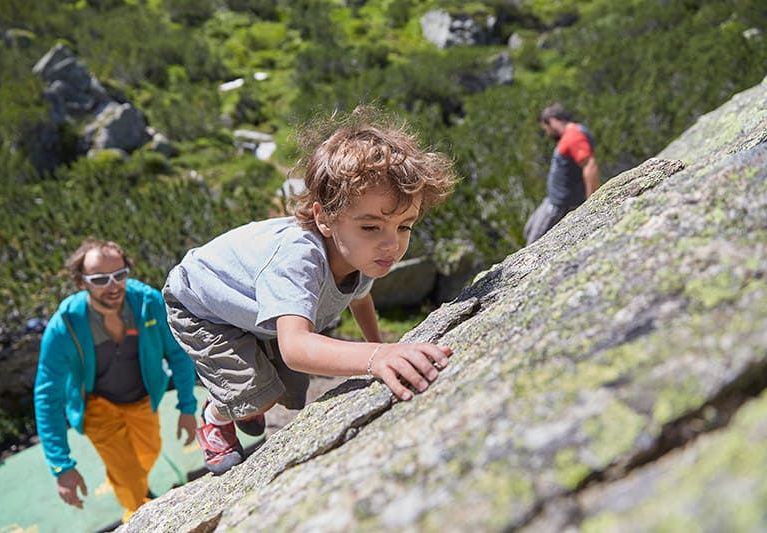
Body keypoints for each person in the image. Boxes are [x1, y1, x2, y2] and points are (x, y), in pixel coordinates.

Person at [162, 107, 458, 475]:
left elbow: (359, 297)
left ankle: (248, 401)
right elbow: (296, 348)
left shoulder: (361, 255)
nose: (391, 245)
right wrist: (376, 356)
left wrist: (379, 342)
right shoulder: (298, 259)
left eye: (404, 227)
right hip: (200, 305)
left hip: (246, 305)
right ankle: (217, 414)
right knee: (259, 395)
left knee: (282, 390)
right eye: (371, 227)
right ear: (324, 218)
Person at [33, 239, 198, 522]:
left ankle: (131, 488)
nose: (112, 286)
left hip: (143, 398)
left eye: (119, 275)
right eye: (99, 279)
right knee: (130, 476)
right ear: (80, 281)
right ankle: (139, 515)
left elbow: (177, 353)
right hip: (98, 406)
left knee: (149, 452)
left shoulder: (147, 302)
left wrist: (187, 406)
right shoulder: (66, 325)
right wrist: (61, 466)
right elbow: (47, 396)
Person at [524, 103, 601, 245]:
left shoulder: (574, 136)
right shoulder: (572, 133)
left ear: (552, 121)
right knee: (529, 229)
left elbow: (589, 166)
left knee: (534, 243)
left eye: (546, 128)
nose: (547, 133)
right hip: (552, 200)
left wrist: (593, 202)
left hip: (560, 206)